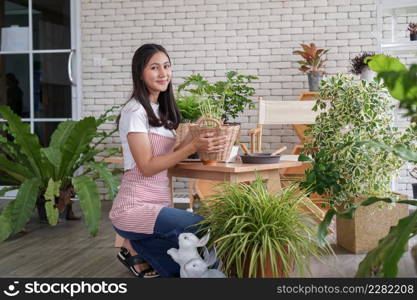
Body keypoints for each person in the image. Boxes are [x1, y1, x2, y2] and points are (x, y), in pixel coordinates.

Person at [109, 44, 227, 278]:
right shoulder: (135, 112)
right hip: (134, 209)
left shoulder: (161, 113)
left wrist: (196, 135)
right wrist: (192, 146)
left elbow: (167, 161)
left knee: (183, 273)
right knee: (202, 227)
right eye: (154, 67)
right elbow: (147, 166)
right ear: (139, 73)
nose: (163, 73)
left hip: (157, 208)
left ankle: (137, 248)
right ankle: (135, 243)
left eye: (166, 66)